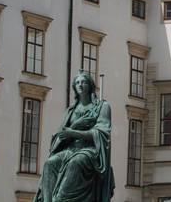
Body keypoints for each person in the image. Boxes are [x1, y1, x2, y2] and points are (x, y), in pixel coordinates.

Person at [34, 71, 114, 201]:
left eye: (84, 82)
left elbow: (101, 133)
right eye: (77, 83)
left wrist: (73, 132)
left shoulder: (102, 107)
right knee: (50, 164)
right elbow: (61, 136)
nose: (80, 85)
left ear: (90, 85)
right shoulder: (70, 110)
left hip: (89, 151)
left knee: (76, 162)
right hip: (70, 149)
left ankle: (61, 199)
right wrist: (73, 128)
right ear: (74, 87)